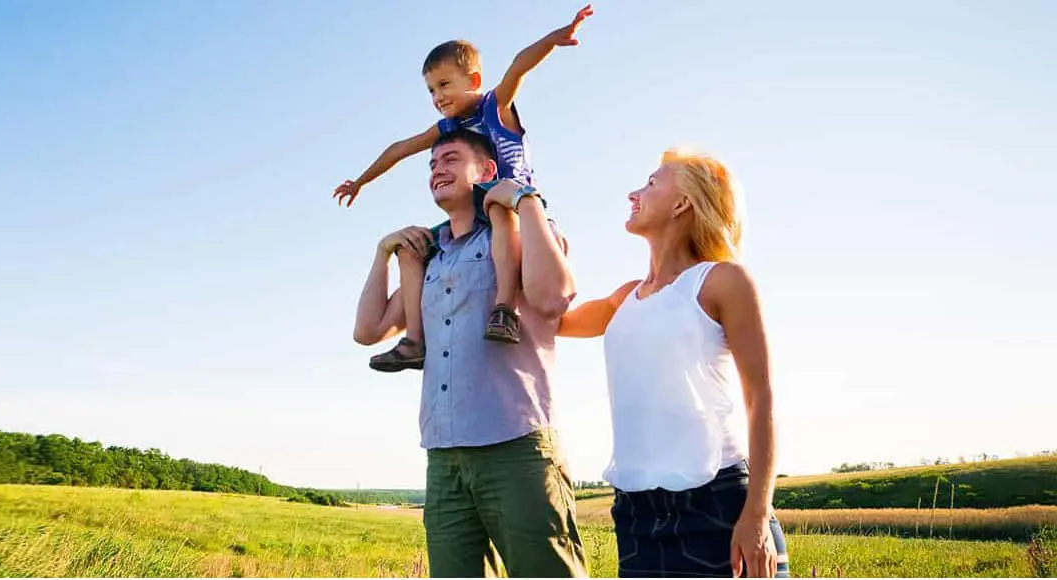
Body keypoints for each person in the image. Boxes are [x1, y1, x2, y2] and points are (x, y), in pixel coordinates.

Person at [353, 129, 586, 578]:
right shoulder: (431, 258)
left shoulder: (519, 235)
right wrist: (382, 254)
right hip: (444, 456)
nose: (437, 169)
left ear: (488, 172)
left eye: (451, 159)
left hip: (515, 447)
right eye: (432, 164)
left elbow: (555, 296)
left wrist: (525, 200)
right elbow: (368, 331)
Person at [557, 149, 789, 577]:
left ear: (682, 203)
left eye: (649, 183)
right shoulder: (623, 297)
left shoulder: (722, 281)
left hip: (715, 501)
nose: (634, 192)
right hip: (635, 511)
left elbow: (762, 397)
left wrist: (757, 513)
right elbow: (548, 321)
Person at [337, 5, 594, 373]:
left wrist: (554, 38)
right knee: (414, 247)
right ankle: (415, 341)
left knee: (496, 205)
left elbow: (518, 66)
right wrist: (361, 181)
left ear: (472, 81)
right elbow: (400, 148)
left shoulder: (494, 106)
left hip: (511, 202)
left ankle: (503, 307)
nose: (437, 97)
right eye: (430, 90)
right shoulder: (446, 128)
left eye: (444, 85)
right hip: (474, 214)